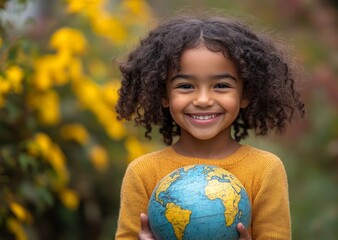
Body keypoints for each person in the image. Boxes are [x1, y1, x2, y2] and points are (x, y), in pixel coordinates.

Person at [115, 14, 305, 240]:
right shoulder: (142, 173)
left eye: (221, 85)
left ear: (245, 94)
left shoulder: (265, 170)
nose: (203, 100)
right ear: (164, 95)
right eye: (185, 86)